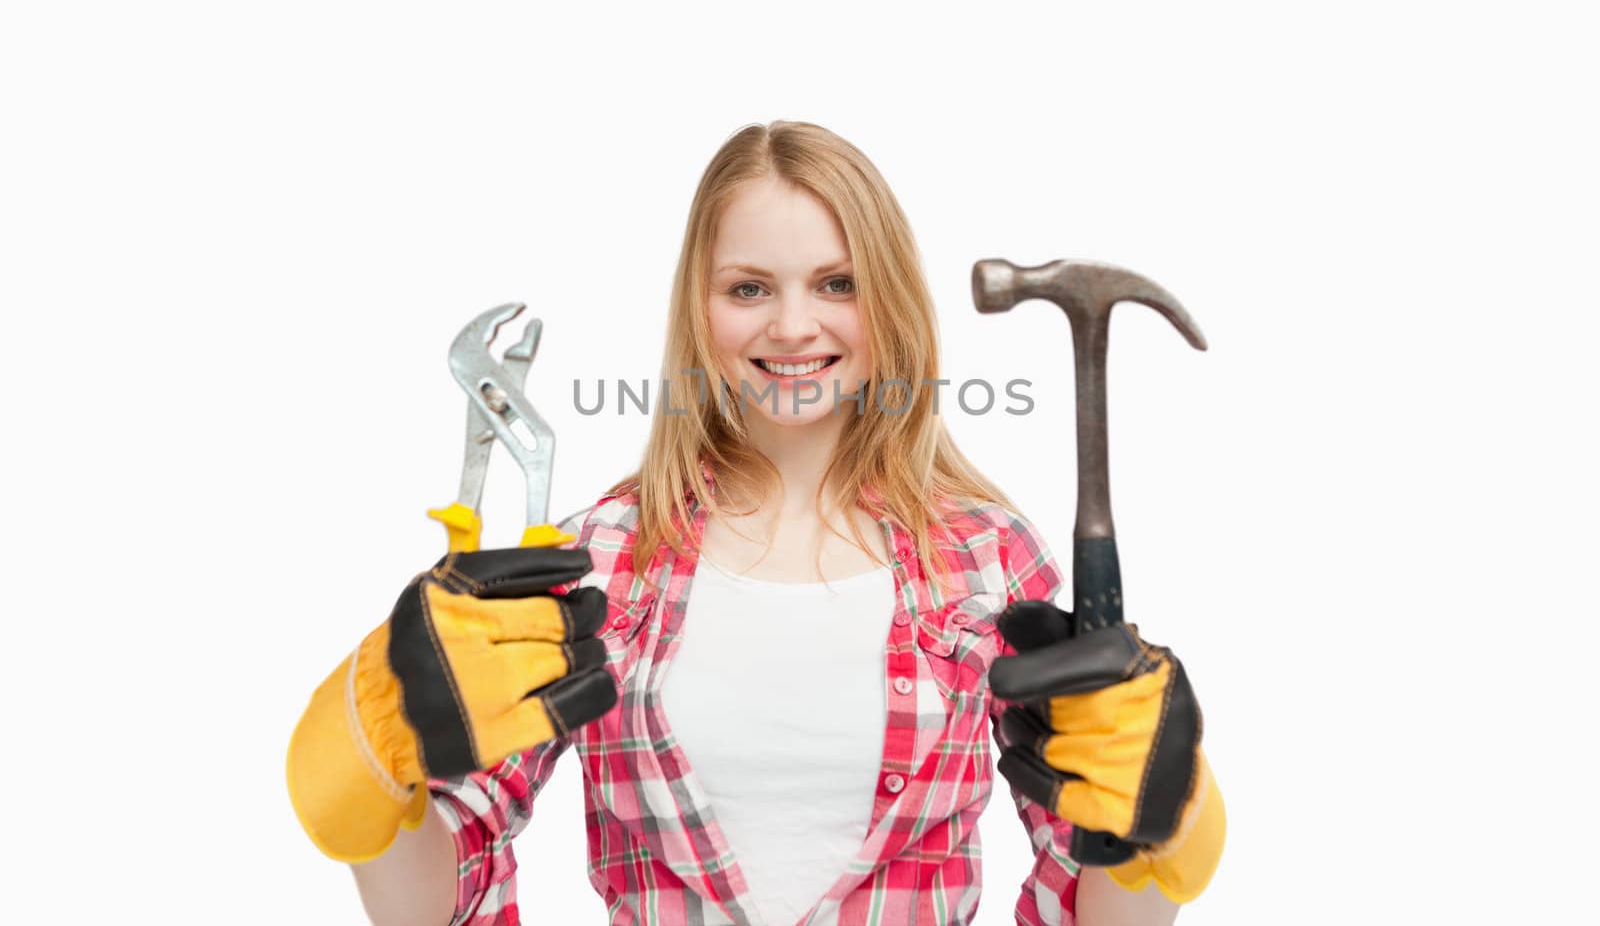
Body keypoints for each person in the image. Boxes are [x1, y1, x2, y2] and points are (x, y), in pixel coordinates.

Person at [287, 120, 1225, 925]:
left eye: (835, 283)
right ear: (699, 308)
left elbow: (1090, 901)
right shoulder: (603, 561)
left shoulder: (987, 560)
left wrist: (1155, 825)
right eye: (748, 288)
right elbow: (438, 898)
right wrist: (375, 774)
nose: (790, 326)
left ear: (888, 300)